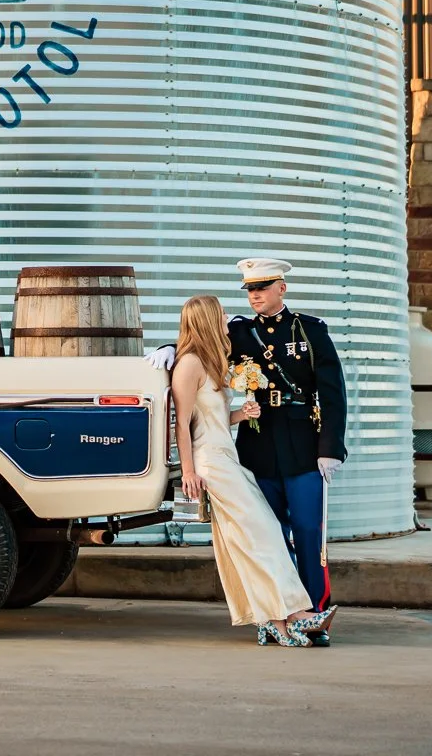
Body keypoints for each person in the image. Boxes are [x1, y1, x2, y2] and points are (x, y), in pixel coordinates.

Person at [148, 258, 347, 644]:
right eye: (250, 289)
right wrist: (168, 349)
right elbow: (201, 343)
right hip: (257, 446)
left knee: (307, 530)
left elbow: (332, 390)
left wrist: (330, 447)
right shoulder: (240, 332)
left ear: (281, 289)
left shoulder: (308, 330)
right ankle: (280, 614)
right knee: (267, 534)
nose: (254, 294)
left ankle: (314, 611)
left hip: (304, 442)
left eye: (262, 287)